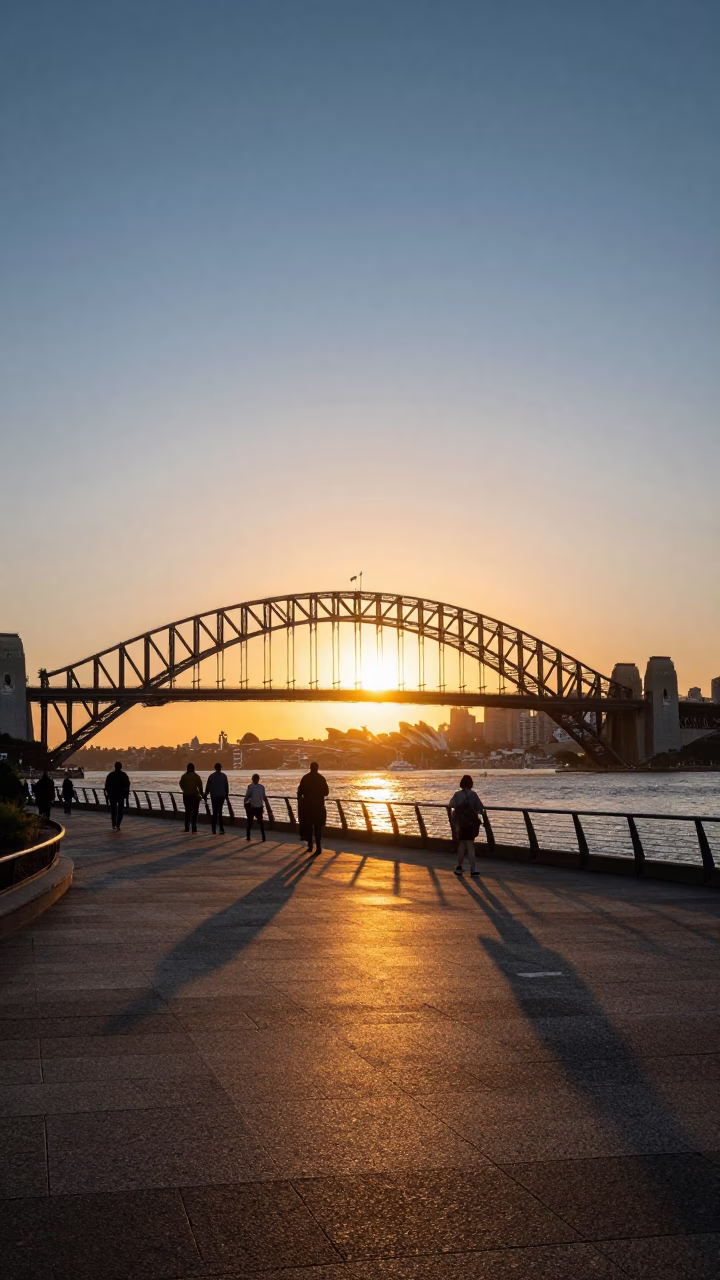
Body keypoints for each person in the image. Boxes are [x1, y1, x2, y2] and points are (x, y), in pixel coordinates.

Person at [450, 774, 484, 876]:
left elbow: (451, 804)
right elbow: (481, 809)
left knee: (462, 844)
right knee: (470, 845)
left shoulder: (457, 795)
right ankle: (473, 869)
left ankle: (459, 867)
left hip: (460, 823)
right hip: (470, 824)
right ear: (471, 784)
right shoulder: (473, 795)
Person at [297, 761, 329, 854]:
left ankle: (310, 846)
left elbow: (299, 792)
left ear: (310, 768)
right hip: (319, 807)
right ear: (317, 768)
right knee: (318, 828)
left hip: (307, 807)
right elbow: (326, 792)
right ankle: (318, 848)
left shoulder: (305, 778)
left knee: (308, 827)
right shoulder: (321, 779)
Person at [179, 763, 204, 832]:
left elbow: (181, 784)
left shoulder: (184, 776)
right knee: (195, 812)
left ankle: (187, 827)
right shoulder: (197, 776)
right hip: (195, 796)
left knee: (187, 811)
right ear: (194, 768)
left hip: (186, 795)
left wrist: (184, 789)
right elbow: (200, 787)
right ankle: (194, 826)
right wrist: (202, 795)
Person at [105, 761, 131, 830]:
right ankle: (118, 824)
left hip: (112, 795)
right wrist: (127, 795)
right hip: (121, 795)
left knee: (113, 810)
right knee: (120, 811)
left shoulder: (110, 775)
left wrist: (108, 794)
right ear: (121, 767)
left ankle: (113, 824)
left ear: (115, 767)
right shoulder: (124, 775)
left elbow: (106, 786)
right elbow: (127, 785)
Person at [205, 762, 229, 834]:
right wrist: (226, 796)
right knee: (220, 812)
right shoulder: (224, 776)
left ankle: (214, 829)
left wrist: (205, 794)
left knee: (215, 812)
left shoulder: (211, 776)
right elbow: (226, 787)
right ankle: (221, 828)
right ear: (221, 768)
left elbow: (208, 787)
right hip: (221, 796)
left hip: (214, 796)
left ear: (214, 768)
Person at [244, 773, 266, 841]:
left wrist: (245, 803)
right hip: (259, 807)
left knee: (249, 822)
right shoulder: (262, 787)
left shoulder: (250, 787)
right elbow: (263, 797)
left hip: (252, 807)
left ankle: (248, 836)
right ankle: (263, 837)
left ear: (252, 779)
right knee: (261, 823)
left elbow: (247, 796)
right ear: (258, 779)